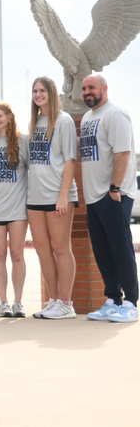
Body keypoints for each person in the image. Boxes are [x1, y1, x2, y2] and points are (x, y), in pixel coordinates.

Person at [80, 74, 139, 323]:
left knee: (121, 249)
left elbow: (123, 152)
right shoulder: (86, 118)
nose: (86, 92)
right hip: (94, 197)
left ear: (104, 88)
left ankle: (131, 303)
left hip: (114, 195)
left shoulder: (115, 114)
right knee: (103, 252)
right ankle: (113, 299)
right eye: (83, 89)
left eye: (91, 87)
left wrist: (114, 188)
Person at [25, 77, 79, 320]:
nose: (38, 94)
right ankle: (54, 300)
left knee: (60, 248)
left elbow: (70, 159)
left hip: (59, 196)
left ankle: (66, 303)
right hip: (35, 197)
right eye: (35, 91)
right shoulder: (35, 122)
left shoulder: (64, 121)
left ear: (52, 92)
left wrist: (63, 196)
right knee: (42, 249)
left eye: (42, 90)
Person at [0, 102, 29, 317]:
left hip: (18, 208)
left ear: (9, 117)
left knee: (17, 254)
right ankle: (3, 303)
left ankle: (18, 302)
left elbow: (33, 171)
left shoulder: (22, 141)